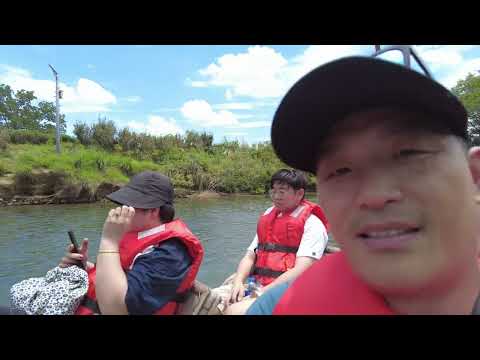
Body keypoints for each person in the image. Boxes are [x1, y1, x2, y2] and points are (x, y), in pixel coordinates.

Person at [248, 45, 480, 315]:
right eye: (340, 171)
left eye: (408, 154)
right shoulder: (279, 306)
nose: (374, 195)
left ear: (474, 176)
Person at [59, 171, 204, 315]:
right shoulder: (139, 236)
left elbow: (116, 310)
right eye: (123, 204)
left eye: (129, 205)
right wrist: (83, 266)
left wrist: (109, 242)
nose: (122, 210)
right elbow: (121, 274)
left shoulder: (171, 252)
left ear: (153, 210)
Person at [224, 169, 330, 315]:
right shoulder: (269, 216)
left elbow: (301, 270)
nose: (276, 196)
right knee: (210, 299)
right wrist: (238, 281)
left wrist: (263, 293)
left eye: (282, 191)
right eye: (273, 191)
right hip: (256, 282)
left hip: (288, 290)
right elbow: (249, 256)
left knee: (233, 311)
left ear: (299, 194)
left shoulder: (313, 224)